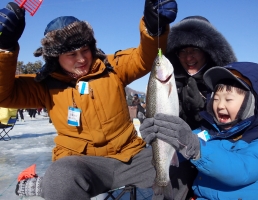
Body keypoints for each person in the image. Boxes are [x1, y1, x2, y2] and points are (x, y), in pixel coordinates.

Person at [0, 1, 196, 200]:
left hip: (131, 158)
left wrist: (154, 27)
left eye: (85, 50)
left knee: (178, 168)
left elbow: (143, 58)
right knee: (59, 178)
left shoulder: (112, 67)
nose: (81, 59)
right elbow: (4, 94)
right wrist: (5, 49)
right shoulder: (43, 85)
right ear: (55, 57)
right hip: (82, 164)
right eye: (71, 54)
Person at [141, 62, 258, 199]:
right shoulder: (207, 133)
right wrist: (161, 137)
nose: (220, 105)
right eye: (216, 98)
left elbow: (242, 171)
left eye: (228, 99)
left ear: (251, 103)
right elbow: (180, 150)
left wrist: (197, 148)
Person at [165, 16, 237, 130]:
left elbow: (241, 128)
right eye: (182, 51)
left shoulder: (230, 82)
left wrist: (203, 110)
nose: (188, 57)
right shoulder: (169, 83)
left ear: (208, 52)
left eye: (195, 49)